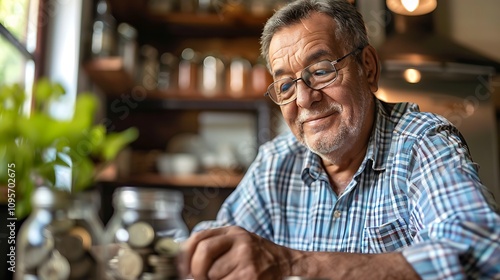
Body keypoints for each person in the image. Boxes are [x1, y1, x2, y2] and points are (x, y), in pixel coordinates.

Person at [180, 0, 500, 279]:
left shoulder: (422, 142)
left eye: (320, 71)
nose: (304, 99)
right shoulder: (276, 161)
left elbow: (483, 255)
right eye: (286, 86)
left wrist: (290, 264)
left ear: (368, 68)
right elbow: (225, 240)